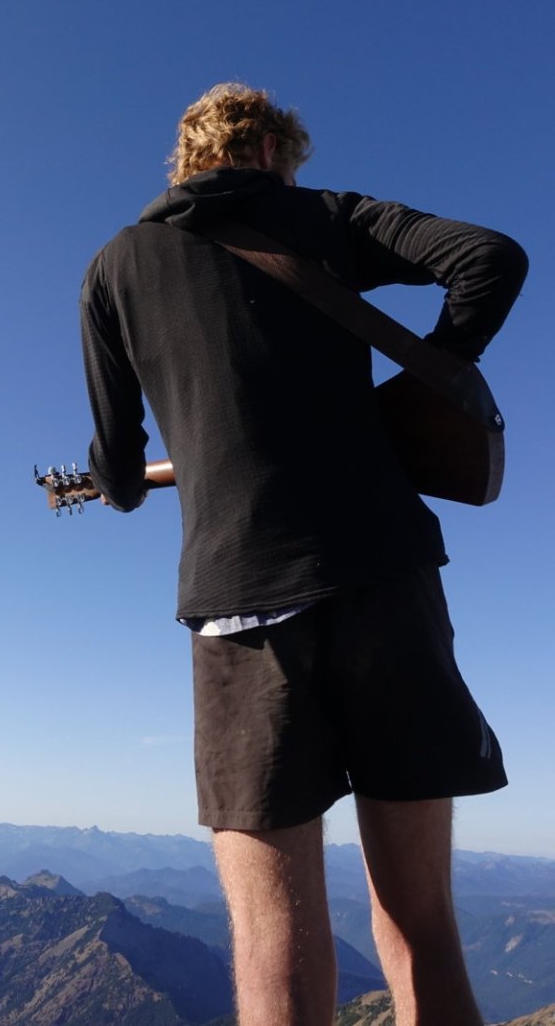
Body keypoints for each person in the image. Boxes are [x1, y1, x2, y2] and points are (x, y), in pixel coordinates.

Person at [79, 84, 528, 1026]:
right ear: (278, 152)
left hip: (241, 603)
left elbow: (119, 474)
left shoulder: (115, 266)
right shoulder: (321, 217)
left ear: (185, 157)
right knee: (421, 923)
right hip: (384, 577)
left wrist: (138, 472)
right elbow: (489, 257)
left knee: (272, 940)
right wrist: (421, 388)